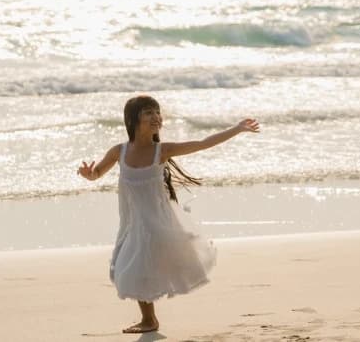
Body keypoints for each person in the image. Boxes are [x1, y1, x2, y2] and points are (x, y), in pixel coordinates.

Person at [77, 95, 260, 334]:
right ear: (133, 120)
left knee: (137, 266)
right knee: (131, 268)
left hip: (157, 222)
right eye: (148, 113)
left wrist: (237, 129)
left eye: (157, 112)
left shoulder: (161, 151)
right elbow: (97, 173)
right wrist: (88, 174)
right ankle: (149, 319)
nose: (156, 117)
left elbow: (203, 143)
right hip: (133, 222)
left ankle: (149, 320)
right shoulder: (119, 152)